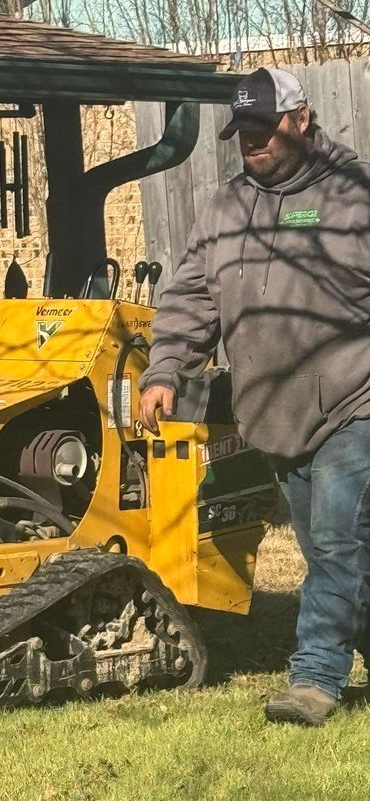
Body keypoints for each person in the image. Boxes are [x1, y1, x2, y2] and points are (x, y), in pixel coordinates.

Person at [139, 66, 370, 727]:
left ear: (300, 120)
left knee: (335, 542)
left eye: (264, 129)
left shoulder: (353, 196)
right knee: (344, 547)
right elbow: (191, 296)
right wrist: (165, 371)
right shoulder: (227, 208)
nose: (253, 142)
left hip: (355, 400)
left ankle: (316, 679)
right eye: (242, 132)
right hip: (273, 412)